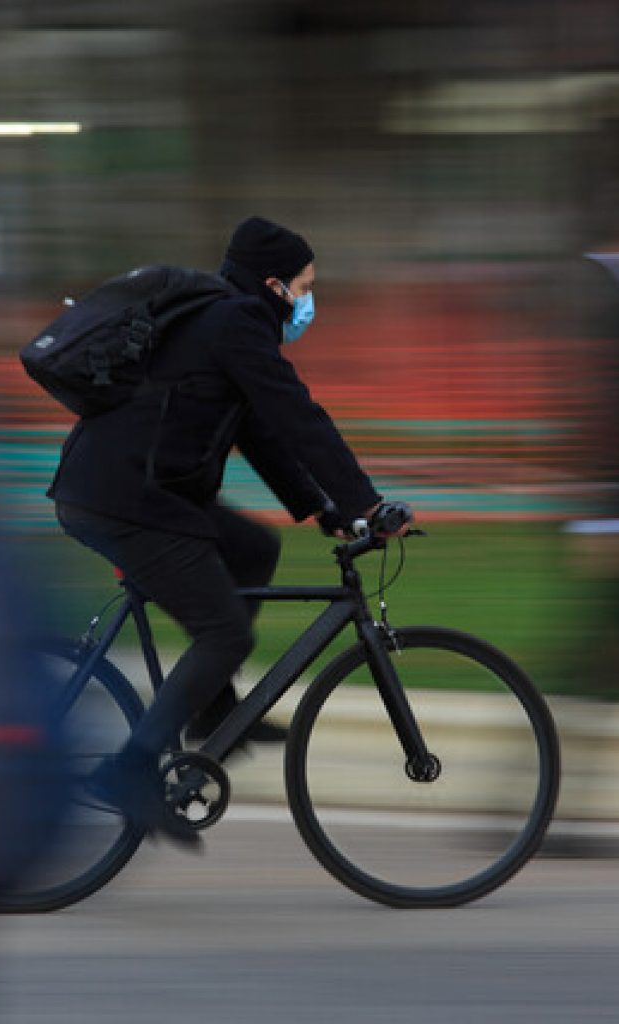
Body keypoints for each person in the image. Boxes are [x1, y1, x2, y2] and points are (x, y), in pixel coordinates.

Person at [49, 216, 411, 846]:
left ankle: (213, 708)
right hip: (123, 500)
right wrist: (368, 502)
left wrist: (331, 511)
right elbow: (299, 417)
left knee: (253, 547)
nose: (308, 300)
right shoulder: (235, 323)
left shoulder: (220, 322)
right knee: (224, 631)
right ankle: (129, 772)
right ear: (273, 284)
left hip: (129, 490)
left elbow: (263, 437)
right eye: (304, 286)